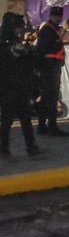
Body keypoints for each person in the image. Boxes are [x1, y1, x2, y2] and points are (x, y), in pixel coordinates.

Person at [0, 12, 41, 159]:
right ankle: (4, 150)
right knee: (7, 119)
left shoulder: (15, 40)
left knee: (25, 117)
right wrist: (13, 53)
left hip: (21, 85)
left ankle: (32, 147)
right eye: (18, 28)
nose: (19, 31)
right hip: (7, 86)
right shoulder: (3, 42)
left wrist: (28, 53)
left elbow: (26, 61)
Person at [34, 6, 69, 136]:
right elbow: (44, 49)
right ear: (51, 16)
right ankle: (52, 127)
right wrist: (58, 42)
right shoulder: (47, 30)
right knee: (51, 97)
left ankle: (42, 126)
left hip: (53, 67)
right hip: (49, 67)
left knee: (46, 98)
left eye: (59, 16)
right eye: (56, 15)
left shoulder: (53, 29)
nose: (58, 18)